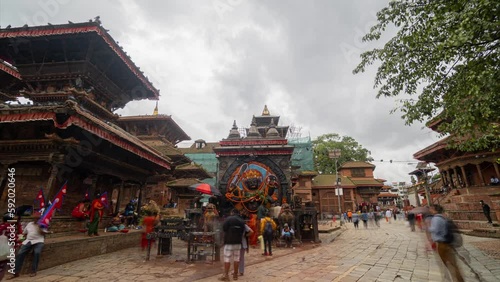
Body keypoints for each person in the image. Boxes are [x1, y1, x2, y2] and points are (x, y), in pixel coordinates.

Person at [428, 204, 464, 282]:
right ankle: (458, 279)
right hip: (447, 242)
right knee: (452, 263)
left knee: (448, 263)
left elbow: (435, 229)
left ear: (434, 209)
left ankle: (456, 279)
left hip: (442, 243)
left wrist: (427, 227)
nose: (430, 210)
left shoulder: (436, 219)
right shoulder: (443, 217)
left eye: (431, 208)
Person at [8, 213, 49, 278]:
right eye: (34, 218)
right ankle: (16, 272)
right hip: (28, 241)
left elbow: (43, 233)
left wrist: (39, 226)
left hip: (39, 241)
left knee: (37, 253)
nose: (35, 219)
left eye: (37, 218)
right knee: (20, 253)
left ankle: (33, 271)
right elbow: (24, 233)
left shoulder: (43, 225)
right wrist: (20, 241)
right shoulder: (29, 224)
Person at [220, 209, 245, 281]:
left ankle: (226, 276)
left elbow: (224, 228)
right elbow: (243, 231)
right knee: (236, 259)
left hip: (229, 242)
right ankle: (235, 275)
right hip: (238, 242)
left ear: (232, 212)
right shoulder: (241, 220)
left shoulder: (228, 219)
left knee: (227, 259)